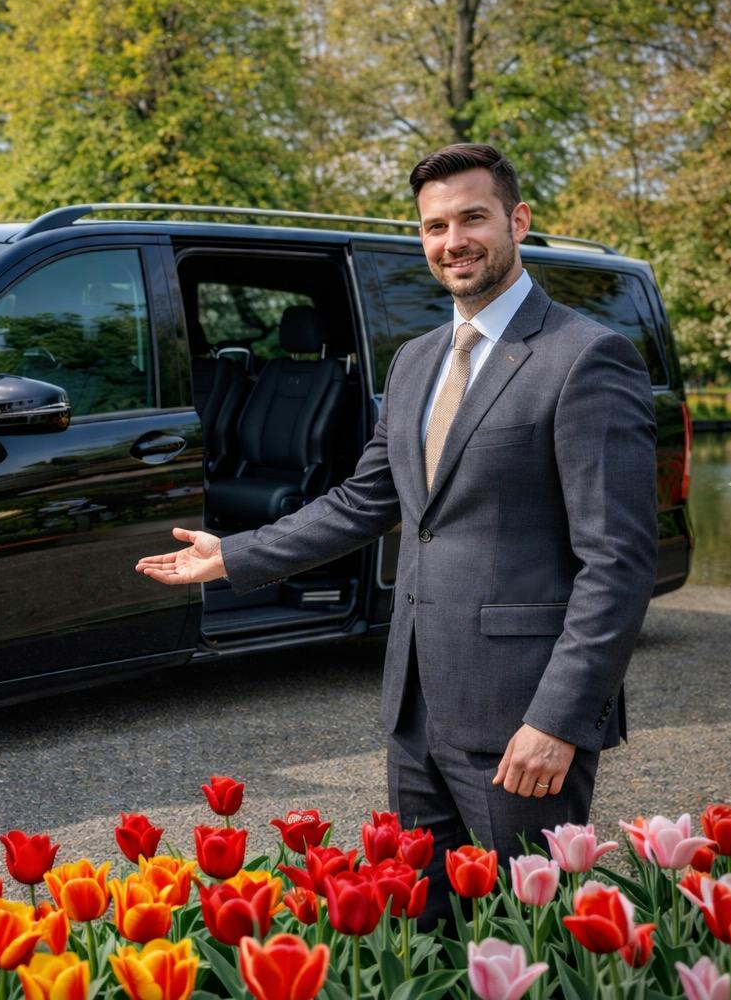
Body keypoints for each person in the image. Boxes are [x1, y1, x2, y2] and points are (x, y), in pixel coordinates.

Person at [135, 144, 656, 928]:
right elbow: (361, 500)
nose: (454, 241)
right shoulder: (414, 362)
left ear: (516, 221)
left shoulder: (585, 358)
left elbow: (616, 564)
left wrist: (558, 720)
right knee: (427, 935)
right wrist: (234, 555)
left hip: (522, 721)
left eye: (472, 218)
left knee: (534, 938)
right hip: (415, 712)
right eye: (434, 225)